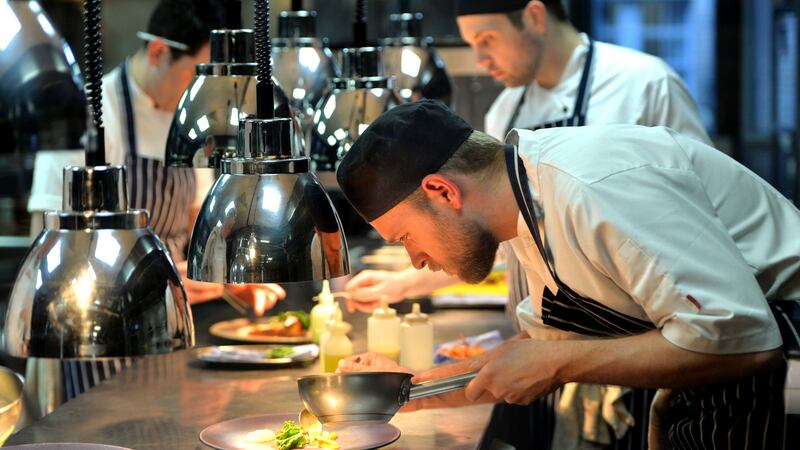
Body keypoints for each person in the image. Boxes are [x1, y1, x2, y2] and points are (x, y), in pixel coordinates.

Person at [336, 100, 800, 449]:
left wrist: (556, 365)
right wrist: (411, 389)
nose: (415, 260)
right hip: (721, 399)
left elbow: (745, 341)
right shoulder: (523, 206)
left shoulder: (592, 187)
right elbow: (546, 345)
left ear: (442, 191)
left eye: (404, 238)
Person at [344, 0, 711, 317]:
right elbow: (493, 226)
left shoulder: (644, 84)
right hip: (547, 326)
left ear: (535, 16)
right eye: (472, 44)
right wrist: (407, 284)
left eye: (487, 40)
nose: (481, 59)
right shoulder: (506, 110)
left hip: (641, 327)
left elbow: (700, 206)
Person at [25, 0, 284, 413]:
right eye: (196, 75)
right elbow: (51, 255)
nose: (205, 93)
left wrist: (226, 274)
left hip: (171, 332)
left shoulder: (191, 116)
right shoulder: (92, 115)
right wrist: (155, 281)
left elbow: (197, 217)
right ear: (160, 51)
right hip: (100, 339)